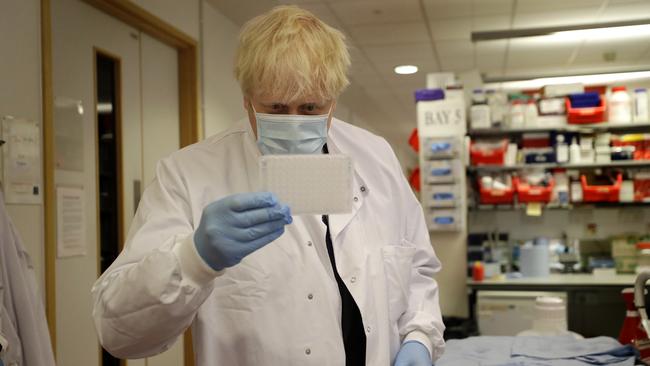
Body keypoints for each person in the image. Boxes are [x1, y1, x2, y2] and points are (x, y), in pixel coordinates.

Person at [92, 5, 445, 365]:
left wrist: (419, 336)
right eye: (276, 108)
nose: (293, 122)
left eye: (310, 108)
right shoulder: (188, 174)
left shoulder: (376, 157)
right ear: (246, 99)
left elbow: (416, 269)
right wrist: (193, 259)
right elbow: (118, 334)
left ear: (334, 102)